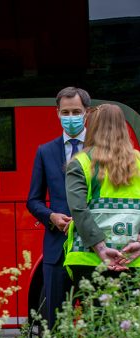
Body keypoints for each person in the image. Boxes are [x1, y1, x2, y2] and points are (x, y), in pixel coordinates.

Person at [26, 87, 91, 329]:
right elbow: (33, 200)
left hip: (92, 248)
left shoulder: (99, 149)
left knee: (95, 320)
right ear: (57, 113)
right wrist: (51, 216)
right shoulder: (45, 151)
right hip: (55, 249)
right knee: (54, 323)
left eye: (76, 111)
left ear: (87, 113)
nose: (71, 117)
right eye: (66, 112)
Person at [64, 104, 140, 286]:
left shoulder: (81, 162)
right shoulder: (138, 160)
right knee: (129, 314)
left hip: (88, 259)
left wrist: (101, 249)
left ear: (92, 127)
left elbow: (78, 210)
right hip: (132, 259)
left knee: (95, 314)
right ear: (123, 127)